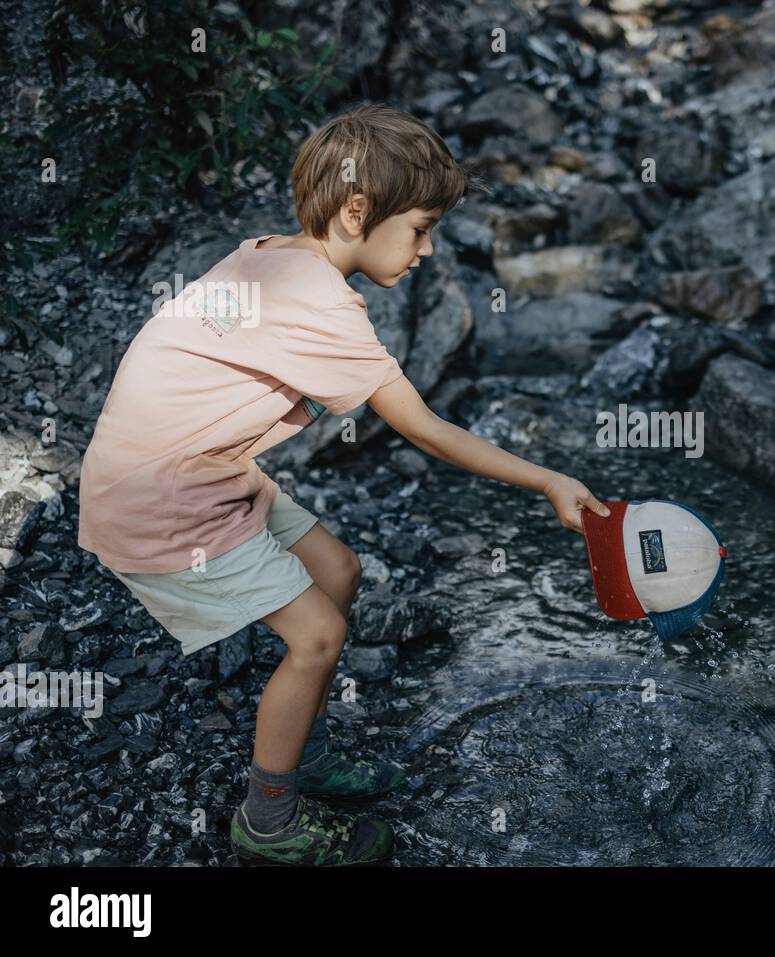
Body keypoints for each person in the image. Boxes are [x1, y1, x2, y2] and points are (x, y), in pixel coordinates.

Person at [75, 103, 611, 866]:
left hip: (188, 468)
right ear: (359, 211)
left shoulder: (268, 255)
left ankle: (309, 749)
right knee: (318, 636)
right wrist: (550, 479)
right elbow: (426, 429)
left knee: (338, 570)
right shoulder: (321, 305)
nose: (426, 250)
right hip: (165, 496)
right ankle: (268, 819)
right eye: (421, 228)